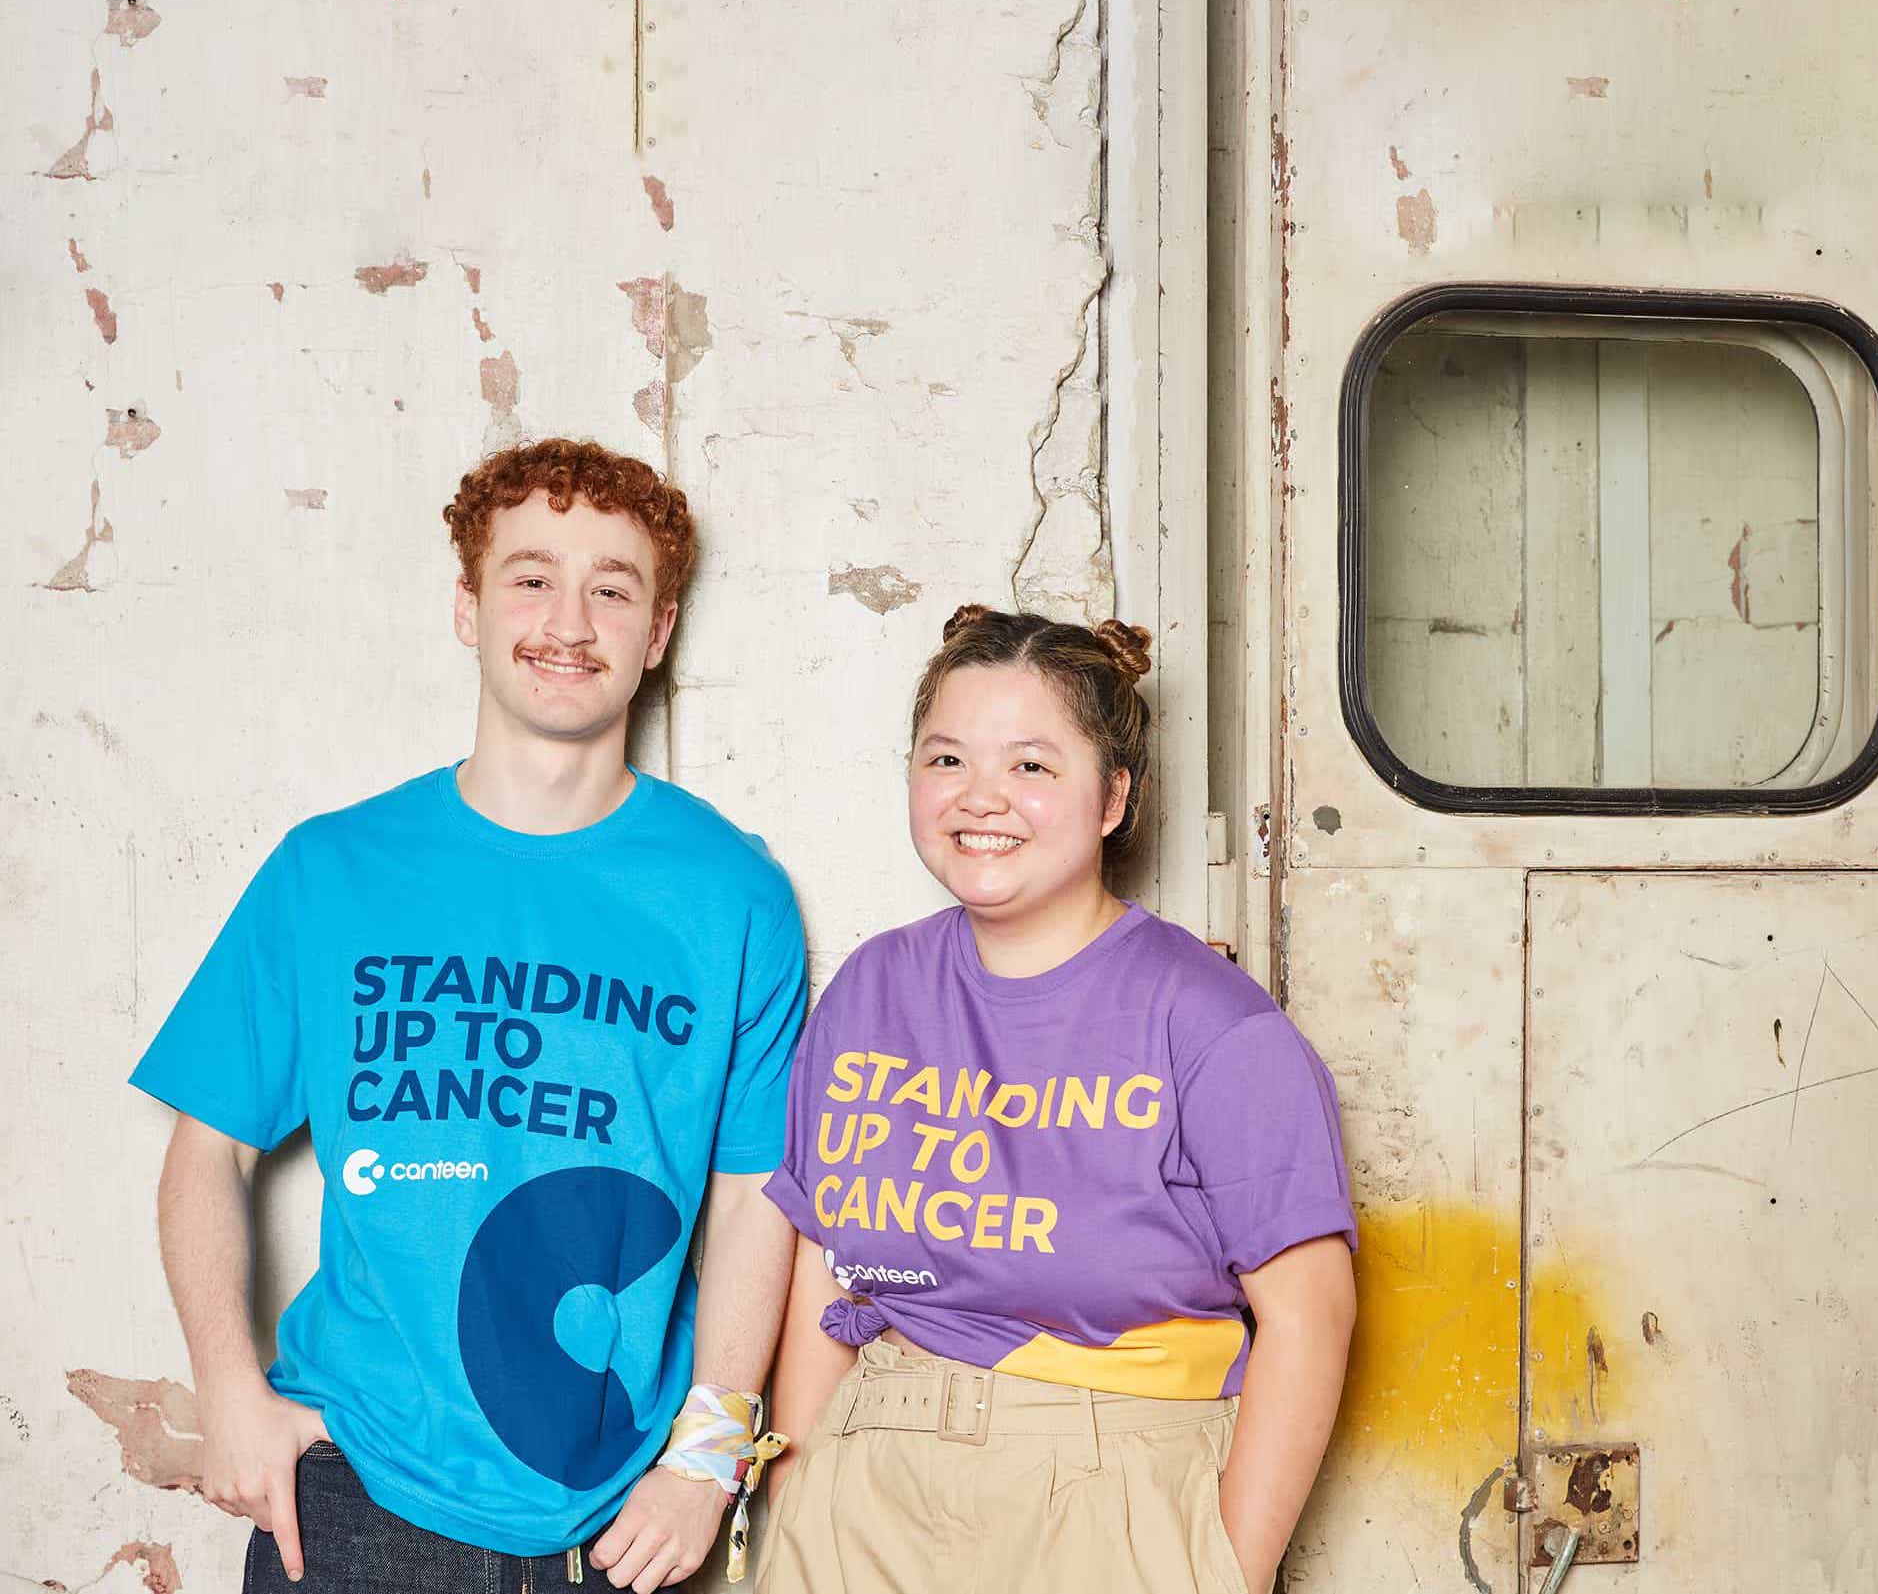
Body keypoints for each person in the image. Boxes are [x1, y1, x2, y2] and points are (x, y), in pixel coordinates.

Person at [131, 438, 807, 1594]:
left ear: (657, 633)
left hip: (623, 1513)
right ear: (468, 607)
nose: (568, 620)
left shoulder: (731, 894)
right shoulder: (332, 870)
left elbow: (758, 1195)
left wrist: (706, 1462)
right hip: (353, 1493)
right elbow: (207, 1148)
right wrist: (230, 1389)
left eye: (612, 588)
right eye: (530, 578)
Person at [757, 605, 1356, 1594]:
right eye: (945, 760)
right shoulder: (872, 987)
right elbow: (822, 1263)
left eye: (1030, 766)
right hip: (867, 1485)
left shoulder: (1210, 1023)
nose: (979, 797)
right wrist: (800, 1486)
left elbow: (1308, 1316)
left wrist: (1221, 1570)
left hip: (1110, 1493)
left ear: (1113, 796)